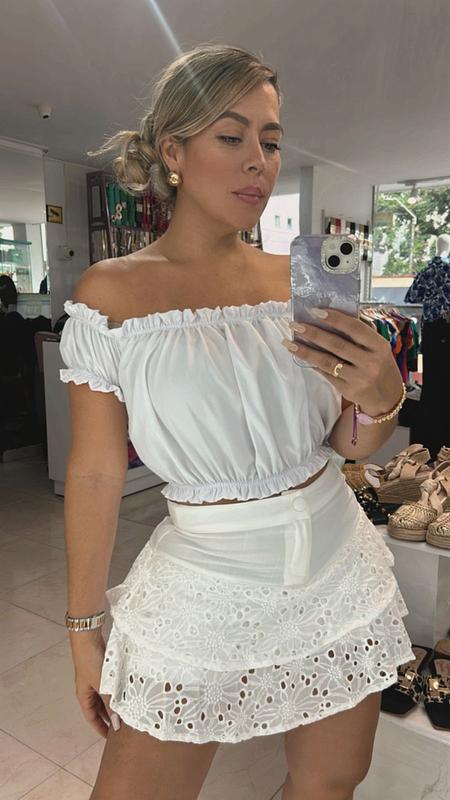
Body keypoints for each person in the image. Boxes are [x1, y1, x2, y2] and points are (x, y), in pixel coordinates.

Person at [59, 44, 414, 800]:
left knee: (330, 783)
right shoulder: (110, 295)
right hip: (206, 583)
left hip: (338, 569)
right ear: (173, 152)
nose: (259, 160)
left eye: (272, 141)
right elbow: (93, 471)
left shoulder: (302, 280)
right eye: (231, 136)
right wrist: (84, 626)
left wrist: (383, 395)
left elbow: (345, 443)